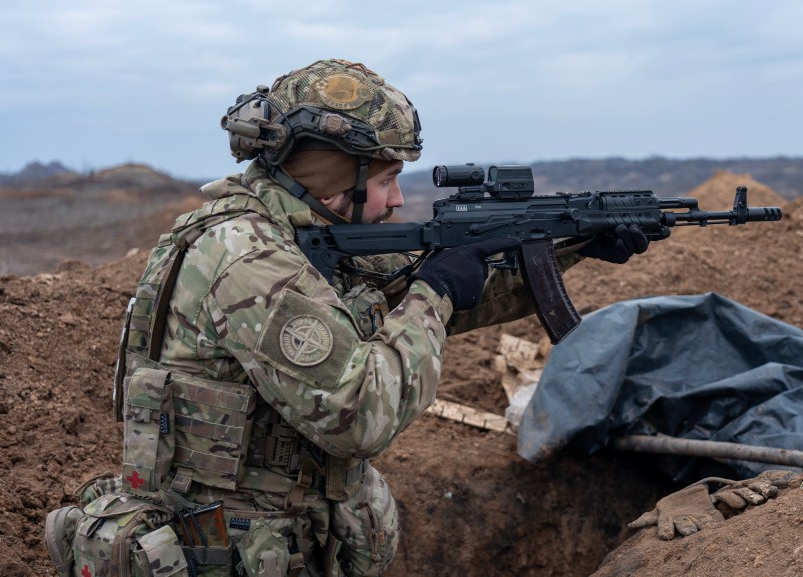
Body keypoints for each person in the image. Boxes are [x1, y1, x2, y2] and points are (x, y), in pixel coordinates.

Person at [53, 59, 654, 576]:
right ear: (335, 174)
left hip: (272, 535)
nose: (396, 201)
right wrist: (434, 291)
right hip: (228, 547)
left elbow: (437, 295)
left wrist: (569, 247)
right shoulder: (250, 260)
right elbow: (358, 411)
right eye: (388, 179)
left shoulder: (303, 233)